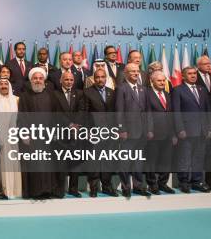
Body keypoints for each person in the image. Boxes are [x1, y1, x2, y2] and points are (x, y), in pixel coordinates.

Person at [18, 67, 58, 199]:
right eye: (35, 78)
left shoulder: (51, 95)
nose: (38, 80)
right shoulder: (24, 96)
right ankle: (35, 192)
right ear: (30, 80)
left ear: (44, 80)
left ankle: (48, 190)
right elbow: (22, 116)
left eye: (40, 78)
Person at [172, 66, 211, 193]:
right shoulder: (178, 90)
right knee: (185, 157)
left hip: (202, 131)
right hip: (186, 131)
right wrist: (180, 129)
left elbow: (208, 110)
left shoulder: (203, 90)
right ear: (183, 76)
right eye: (190, 73)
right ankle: (183, 182)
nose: (193, 75)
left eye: (195, 73)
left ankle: (197, 181)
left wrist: (210, 128)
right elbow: (176, 112)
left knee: (198, 157)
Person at [115, 63, 152, 197]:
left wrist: (149, 129)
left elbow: (148, 111)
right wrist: (121, 129)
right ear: (126, 73)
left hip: (142, 132)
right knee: (125, 161)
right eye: (132, 72)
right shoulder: (121, 88)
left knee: (138, 161)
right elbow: (119, 111)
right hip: (128, 132)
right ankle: (126, 187)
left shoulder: (143, 89)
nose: (136, 73)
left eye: (137, 71)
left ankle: (138, 186)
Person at [83, 68, 118, 197]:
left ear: (106, 78)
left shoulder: (111, 92)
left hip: (109, 132)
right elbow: (84, 114)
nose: (100, 79)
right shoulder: (87, 92)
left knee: (107, 160)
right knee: (94, 160)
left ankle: (107, 186)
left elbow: (115, 113)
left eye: (102, 77)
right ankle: (93, 187)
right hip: (94, 132)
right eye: (97, 77)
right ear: (93, 78)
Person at [52, 71, 85, 197]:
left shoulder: (80, 93)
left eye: (71, 80)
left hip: (76, 133)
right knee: (60, 163)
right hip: (61, 133)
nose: (69, 82)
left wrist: (76, 125)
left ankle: (73, 188)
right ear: (61, 81)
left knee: (75, 163)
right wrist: (70, 125)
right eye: (66, 80)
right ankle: (59, 189)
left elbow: (82, 110)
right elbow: (56, 113)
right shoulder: (55, 94)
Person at [145, 71, 176, 195]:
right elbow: (146, 114)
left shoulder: (168, 95)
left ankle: (163, 183)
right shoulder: (146, 94)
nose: (162, 82)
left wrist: (174, 134)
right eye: (159, 80)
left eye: (163, 80)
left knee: (166, 160)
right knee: (151, 161)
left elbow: (172, 116)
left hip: (168, 133)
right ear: (152, 81)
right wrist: (149, 130)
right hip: (153, 133)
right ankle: (152, 184)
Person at [0, 78, 20, 199]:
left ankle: (15, 189)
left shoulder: (16, 100)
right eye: (1, 84)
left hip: (15, 136)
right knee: (3, 164)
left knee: (15, 163)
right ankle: (5, 189)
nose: (4, 86)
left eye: (6, 84)